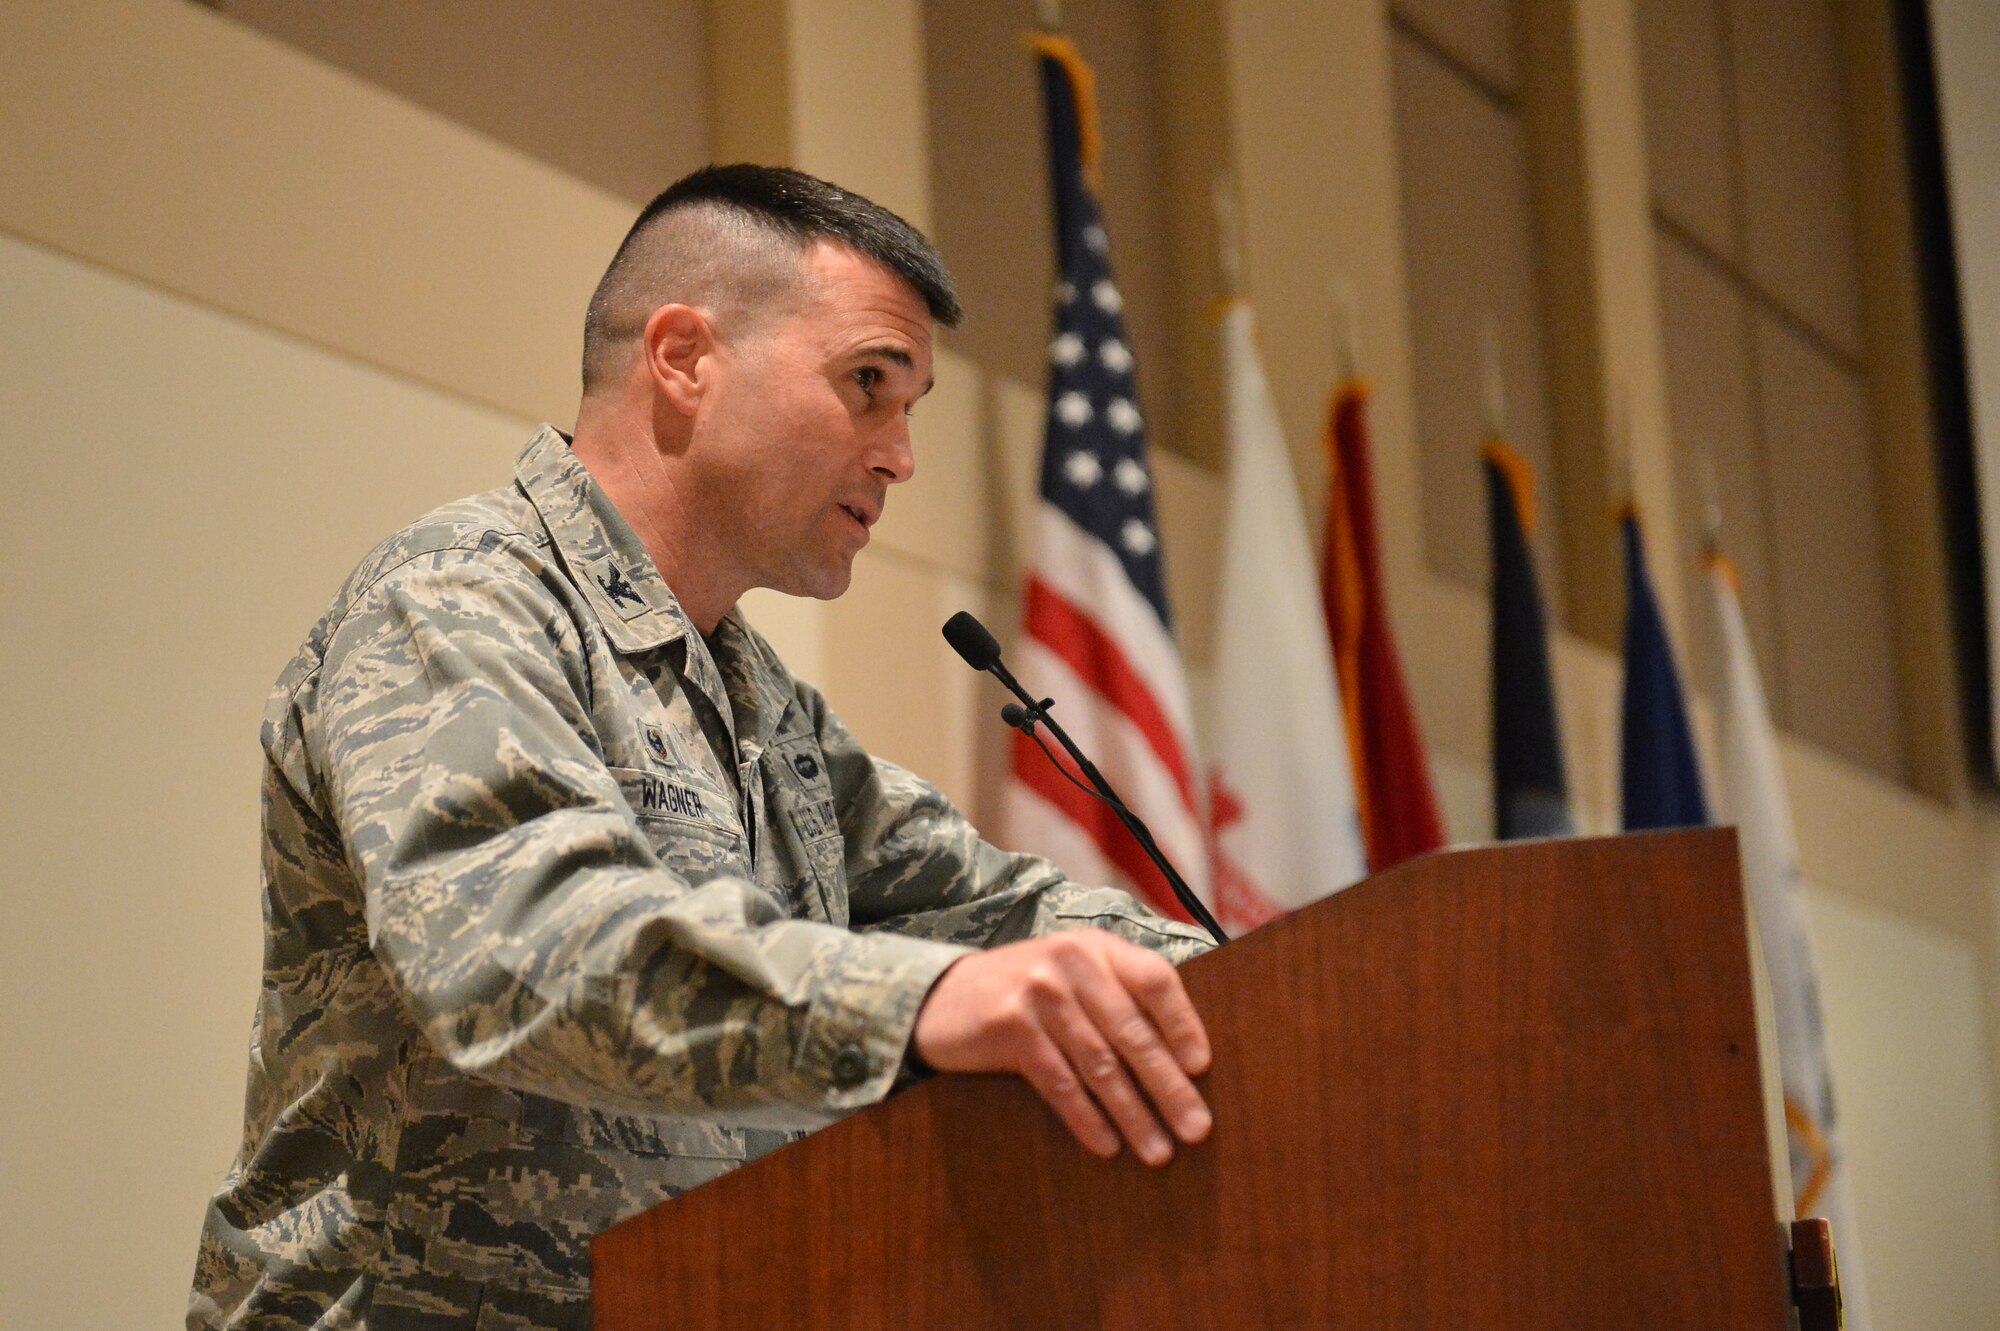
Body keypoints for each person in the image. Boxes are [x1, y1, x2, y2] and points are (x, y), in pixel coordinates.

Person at [189, 164, 1215, 1331]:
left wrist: (1260, 992)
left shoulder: (754, 691)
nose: (899, 457)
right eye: (867, 384)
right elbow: (526, 953)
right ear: (682, 358)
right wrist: (927, 999)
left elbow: (997, 911)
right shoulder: (457, 601)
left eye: (910, 406)